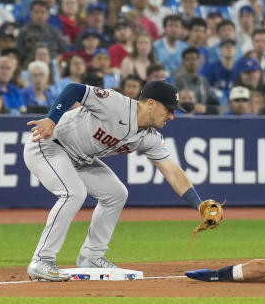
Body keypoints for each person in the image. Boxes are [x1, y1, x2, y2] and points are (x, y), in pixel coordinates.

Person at [23, 81, 221, 281]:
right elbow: (73, 89)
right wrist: (51, 119)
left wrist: (199, 204)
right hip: (48, 145)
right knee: (74, 193)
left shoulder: (150, 137)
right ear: (150, 103)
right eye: (168, 109)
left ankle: (91, 256)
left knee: (116, 194)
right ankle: (42, 259)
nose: (171, 115)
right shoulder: (115, 104)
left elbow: (172, 172)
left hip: (80, 160)